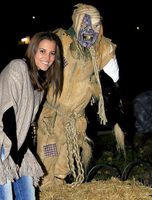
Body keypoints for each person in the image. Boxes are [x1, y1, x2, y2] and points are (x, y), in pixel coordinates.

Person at [36, 3, 125, 188]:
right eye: (86, 25)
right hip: (52, 118)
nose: (90, 31)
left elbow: (114, 76)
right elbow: (39, 66)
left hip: (76, 119)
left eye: (95, 26)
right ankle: (44, 189)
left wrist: (106, 50)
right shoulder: (59, 41)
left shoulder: (101, 48)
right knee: (47, 158)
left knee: (66, 160)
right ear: (77, 22)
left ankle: (58, 186)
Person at [0, 31, 64, 200]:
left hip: (16, 143)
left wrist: (21, 154)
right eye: (42, 51)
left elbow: (26, 122)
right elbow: (9, 114)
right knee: (4, 196)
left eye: (52, 53)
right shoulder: (18, 67)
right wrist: (14, 157)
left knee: (28, 195)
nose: (47, 57)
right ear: (33, 51)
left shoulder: (40, 86)